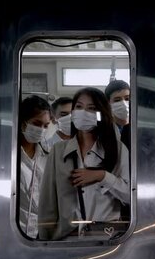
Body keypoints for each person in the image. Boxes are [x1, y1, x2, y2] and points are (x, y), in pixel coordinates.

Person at [38, 87, 130, 240]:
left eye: (92, 108)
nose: (83, 112)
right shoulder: (58, 151)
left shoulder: (118, 149)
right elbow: (48, 203)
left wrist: (102, 176)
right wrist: (44, 244)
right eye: (79, 107)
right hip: (67, 241)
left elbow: (129, 196)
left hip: (108, 239)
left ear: (101, 114)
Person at [18, 95, 52, 238]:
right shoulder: (9, 155)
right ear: (23, 122)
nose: (41, 130)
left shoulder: (48, 155)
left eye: (45, 126)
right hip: (16, 232)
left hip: (43, 232)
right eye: (37, 124)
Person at [104, 79, 130, 149]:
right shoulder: (103, 132)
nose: (124, 103)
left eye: (127, 98)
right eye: (117, 100)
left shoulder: (139, 129)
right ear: (108, 103)